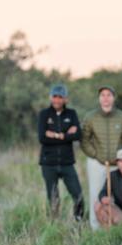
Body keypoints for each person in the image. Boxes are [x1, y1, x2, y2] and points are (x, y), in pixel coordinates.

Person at [81, 86, 122, 230]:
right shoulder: (90, 116)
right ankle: (96, 229)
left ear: (113, 98)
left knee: (116, 197)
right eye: (102, 95)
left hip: (117, 163)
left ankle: (116, 228)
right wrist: (96, 155)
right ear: (99, 98)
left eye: (109, 95)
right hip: (96, 163)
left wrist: (121, 156)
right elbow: (84, 140)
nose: (105, 98)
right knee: (96, 196)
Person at [37, 84, 84, 220]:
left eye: (60, 97)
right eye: (54, 97)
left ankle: (78, 223)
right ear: (50, 97)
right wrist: (65, 135)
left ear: (65, 99)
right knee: (53, 198)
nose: (57, 100)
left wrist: (56, 135)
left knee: (78, 195)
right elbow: (42, 138)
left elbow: (78, 135)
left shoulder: (71, 114)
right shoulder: (44, 114)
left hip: (67, 163)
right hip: (48, 163)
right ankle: (55, 226)